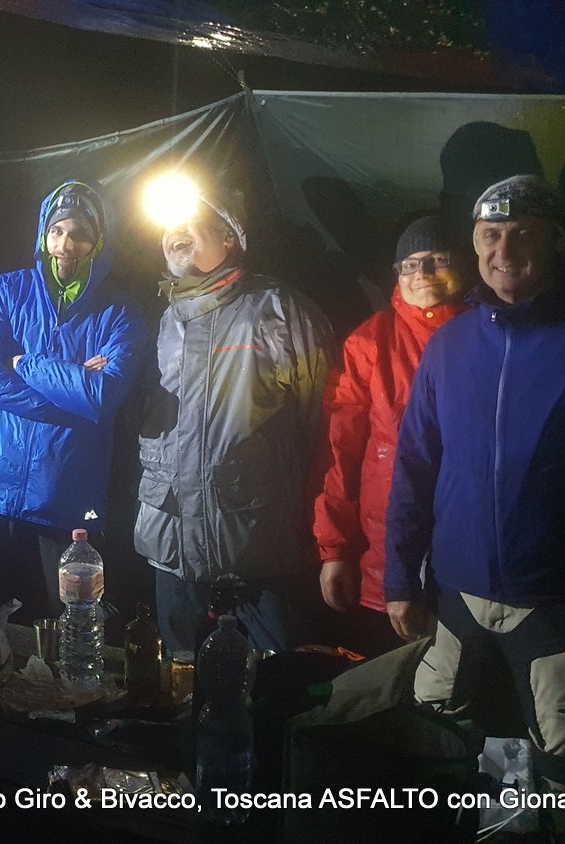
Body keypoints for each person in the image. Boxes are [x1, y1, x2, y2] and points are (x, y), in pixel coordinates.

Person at [385, 175, 565, 840]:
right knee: (439, 739)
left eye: (522, 234)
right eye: (490, 234)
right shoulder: (449, 345)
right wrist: (398, 577)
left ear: (555, 243)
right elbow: (414, 465)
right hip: (455, 595)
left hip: (557, 603)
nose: (503, 250)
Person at [134, 182, 333, 656]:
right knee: (181, 682)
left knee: (273, 686)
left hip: (256, 554)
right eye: (167, 225)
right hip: (174, 551)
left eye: (189, 219)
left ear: (229, 237)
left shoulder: (280, 311)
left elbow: (323, 426)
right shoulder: (163, 319)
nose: (174, 232)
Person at [0, 180, 143, 622]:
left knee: (64, 629)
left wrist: (25, 363)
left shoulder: (120, 311)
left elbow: (101, 395)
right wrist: (72, 391)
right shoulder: (7, 290)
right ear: (43, 236)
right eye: (57, 231)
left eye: (80, 234)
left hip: (66, 501)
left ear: (98, 242)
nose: (65, 244)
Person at [313, 216, 467, 657]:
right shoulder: (369, 342)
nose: (423, 273)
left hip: (469, 551)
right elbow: (340, 451)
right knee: (391, 676)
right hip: (384, 554)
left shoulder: (487, 334)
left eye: (438, 259)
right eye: (410, 264)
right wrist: (335, 549)